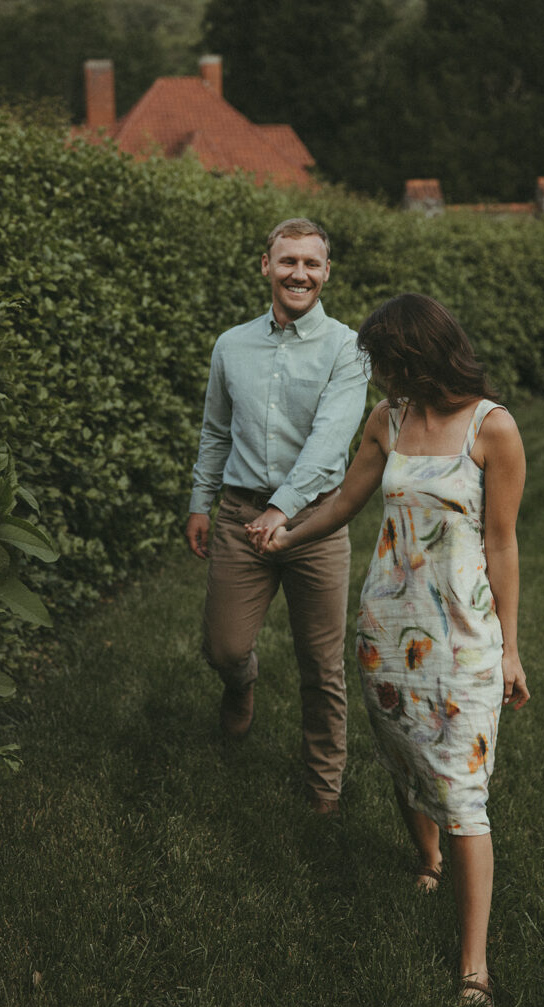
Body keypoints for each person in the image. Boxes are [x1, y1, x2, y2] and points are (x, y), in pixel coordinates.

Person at [247, 293, 529, 1007]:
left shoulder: (491, 429)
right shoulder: (388, 420)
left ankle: (473, 965)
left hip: (463, 641)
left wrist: (511, 650)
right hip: (385, 628)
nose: (373, 373)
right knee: (403, 756)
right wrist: (287, 533)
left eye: (382, 360)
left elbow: (501, 543)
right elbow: (345, 502)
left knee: (463, 795)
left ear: (415, 355)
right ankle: (425, 859)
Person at [185, 218, 367, 814]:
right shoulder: (231, 346)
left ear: (327, 273)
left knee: (322, 666)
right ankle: (241, 685)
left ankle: (323, 791)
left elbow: (330, 441)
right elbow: (215, 432)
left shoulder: (347, 348)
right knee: (223, 647)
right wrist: (200, 502)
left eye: (312, 264)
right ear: (265, 266)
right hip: (240, 515)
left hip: (315, 522)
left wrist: (283, 510)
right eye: (288, 261)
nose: (300, 273)